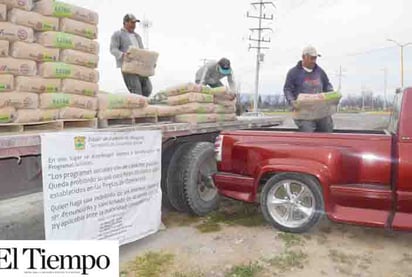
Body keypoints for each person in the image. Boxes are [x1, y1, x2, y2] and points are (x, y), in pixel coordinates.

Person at [283, 46, 334, 132]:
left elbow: (327, 85)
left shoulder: (320, 72)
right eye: (312, 58)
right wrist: (292, 101)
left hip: (320, 111)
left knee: (327, 128)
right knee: (308, 131)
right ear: (303, 57)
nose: (314, 61)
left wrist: (331, 95)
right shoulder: (293, 73)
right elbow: (287, 89)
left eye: (315, 58)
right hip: (303, 113)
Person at [110, 13, 152, 97]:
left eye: (135, 23)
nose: (134, 25)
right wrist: (123, 55)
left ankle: (143, 106)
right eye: (132, 22)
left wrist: (150, 62)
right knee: (136, 90)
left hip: (140, 67)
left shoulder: (138, 37)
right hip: (128, 67)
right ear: (125, 22)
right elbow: (113, 49)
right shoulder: (118, 34)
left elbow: (143, 52)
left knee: (148, 88)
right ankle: (138, 107)